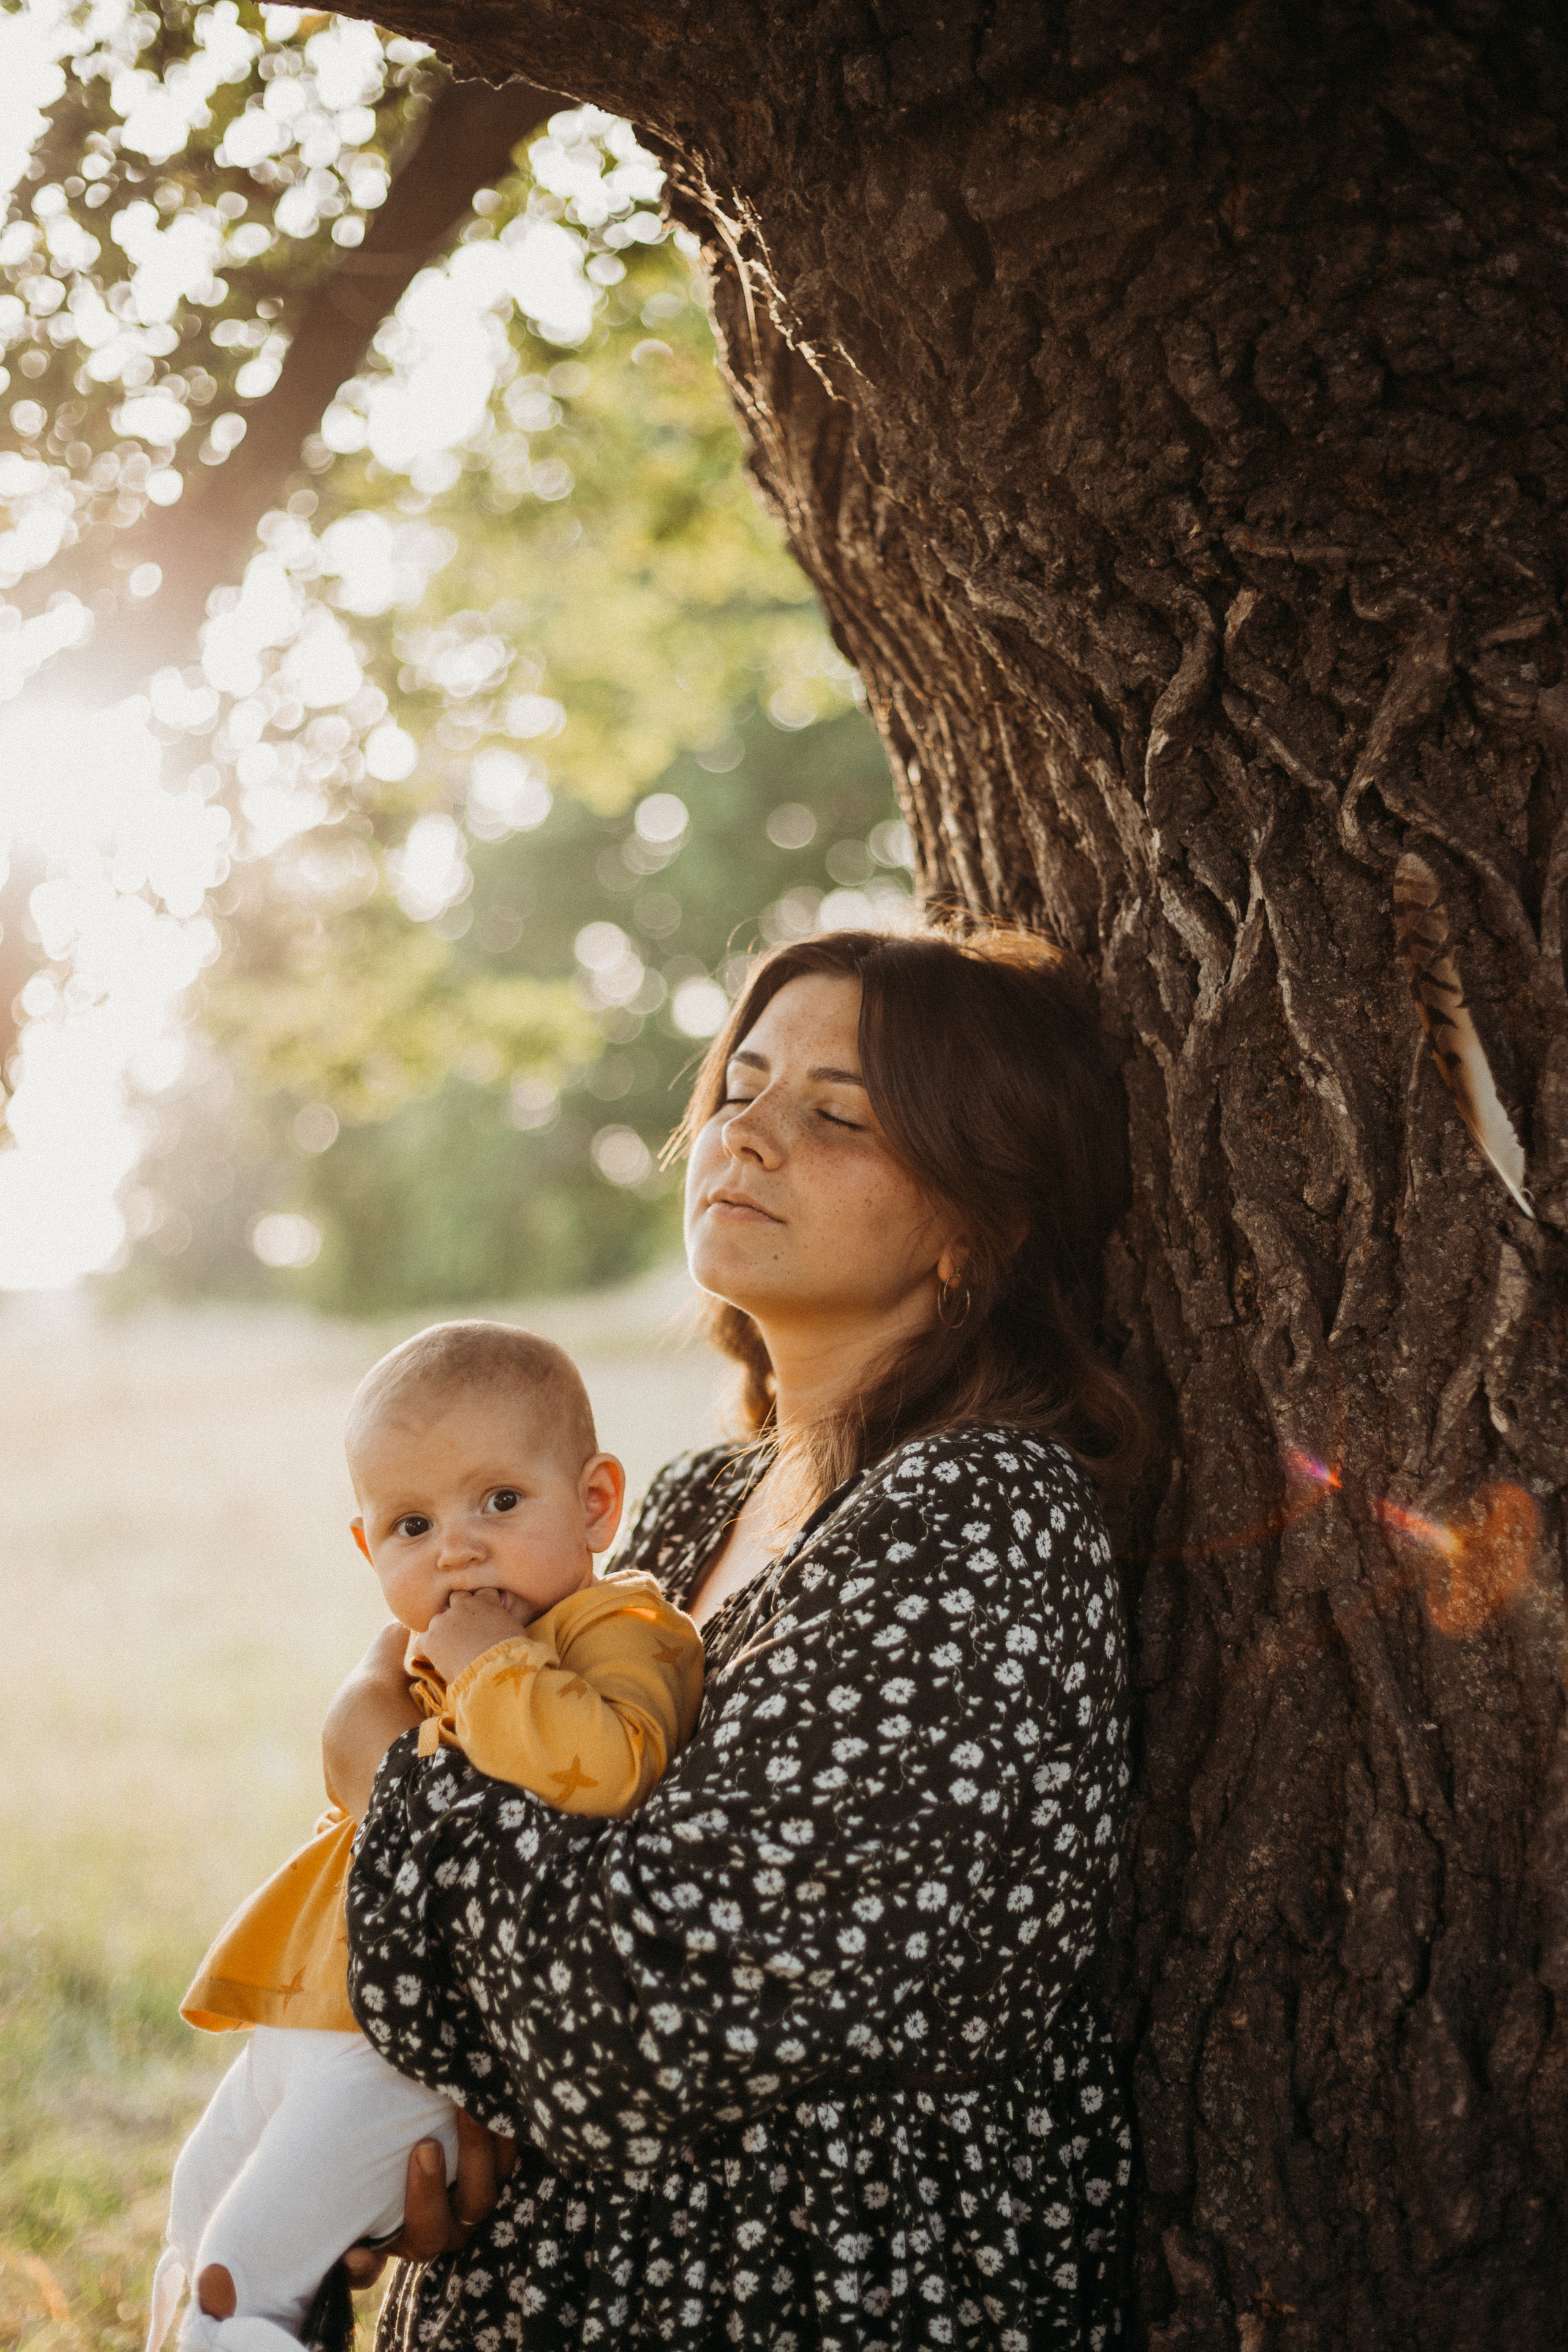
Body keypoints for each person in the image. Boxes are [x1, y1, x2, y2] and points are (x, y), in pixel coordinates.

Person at [331, 924, 1143, 2351]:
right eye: (739, 1089)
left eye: (835, 1115)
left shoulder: (981, 1520)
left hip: (814, 2297)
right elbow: (531, 1856)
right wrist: (453, 2102)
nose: (745, 1137)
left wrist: (381, 1773)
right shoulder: (708, 1492)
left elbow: (636, 2006)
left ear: (979, 1230)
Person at [146, 1322, 703, 2352]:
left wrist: (490, 1668)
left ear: (595, 1505)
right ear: (368, 1548)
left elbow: (616, 1767)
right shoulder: (421, 1652)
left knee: (243, 2281)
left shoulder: (617, 1628)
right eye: (411, 1524)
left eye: (499, 1501)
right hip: (318, 2012)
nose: (456, 1547)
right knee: (193, 2216)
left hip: (400, 2046)